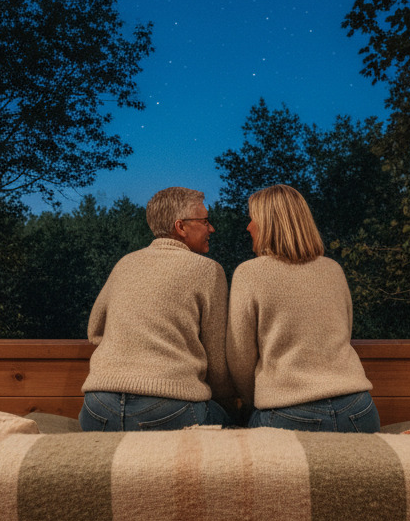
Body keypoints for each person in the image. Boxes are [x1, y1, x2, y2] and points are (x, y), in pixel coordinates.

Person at [79, 186, 236, 431]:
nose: (211, 228)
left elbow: (94, 330)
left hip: (98, 407)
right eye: (205, 221)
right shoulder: (208, 270)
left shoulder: (125, 263)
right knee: (234, 427)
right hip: (169, 409)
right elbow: (216, 358)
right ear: (180, 227)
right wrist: (231, 403)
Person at [227, 184, 379, 433]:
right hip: (358, 410)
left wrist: (255, 398)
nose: (248, 227)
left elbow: (240, 359)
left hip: (288, 414)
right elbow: (345, 333)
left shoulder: (249, 273)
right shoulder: (333, 269)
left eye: (252, 219)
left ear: (268, 224)